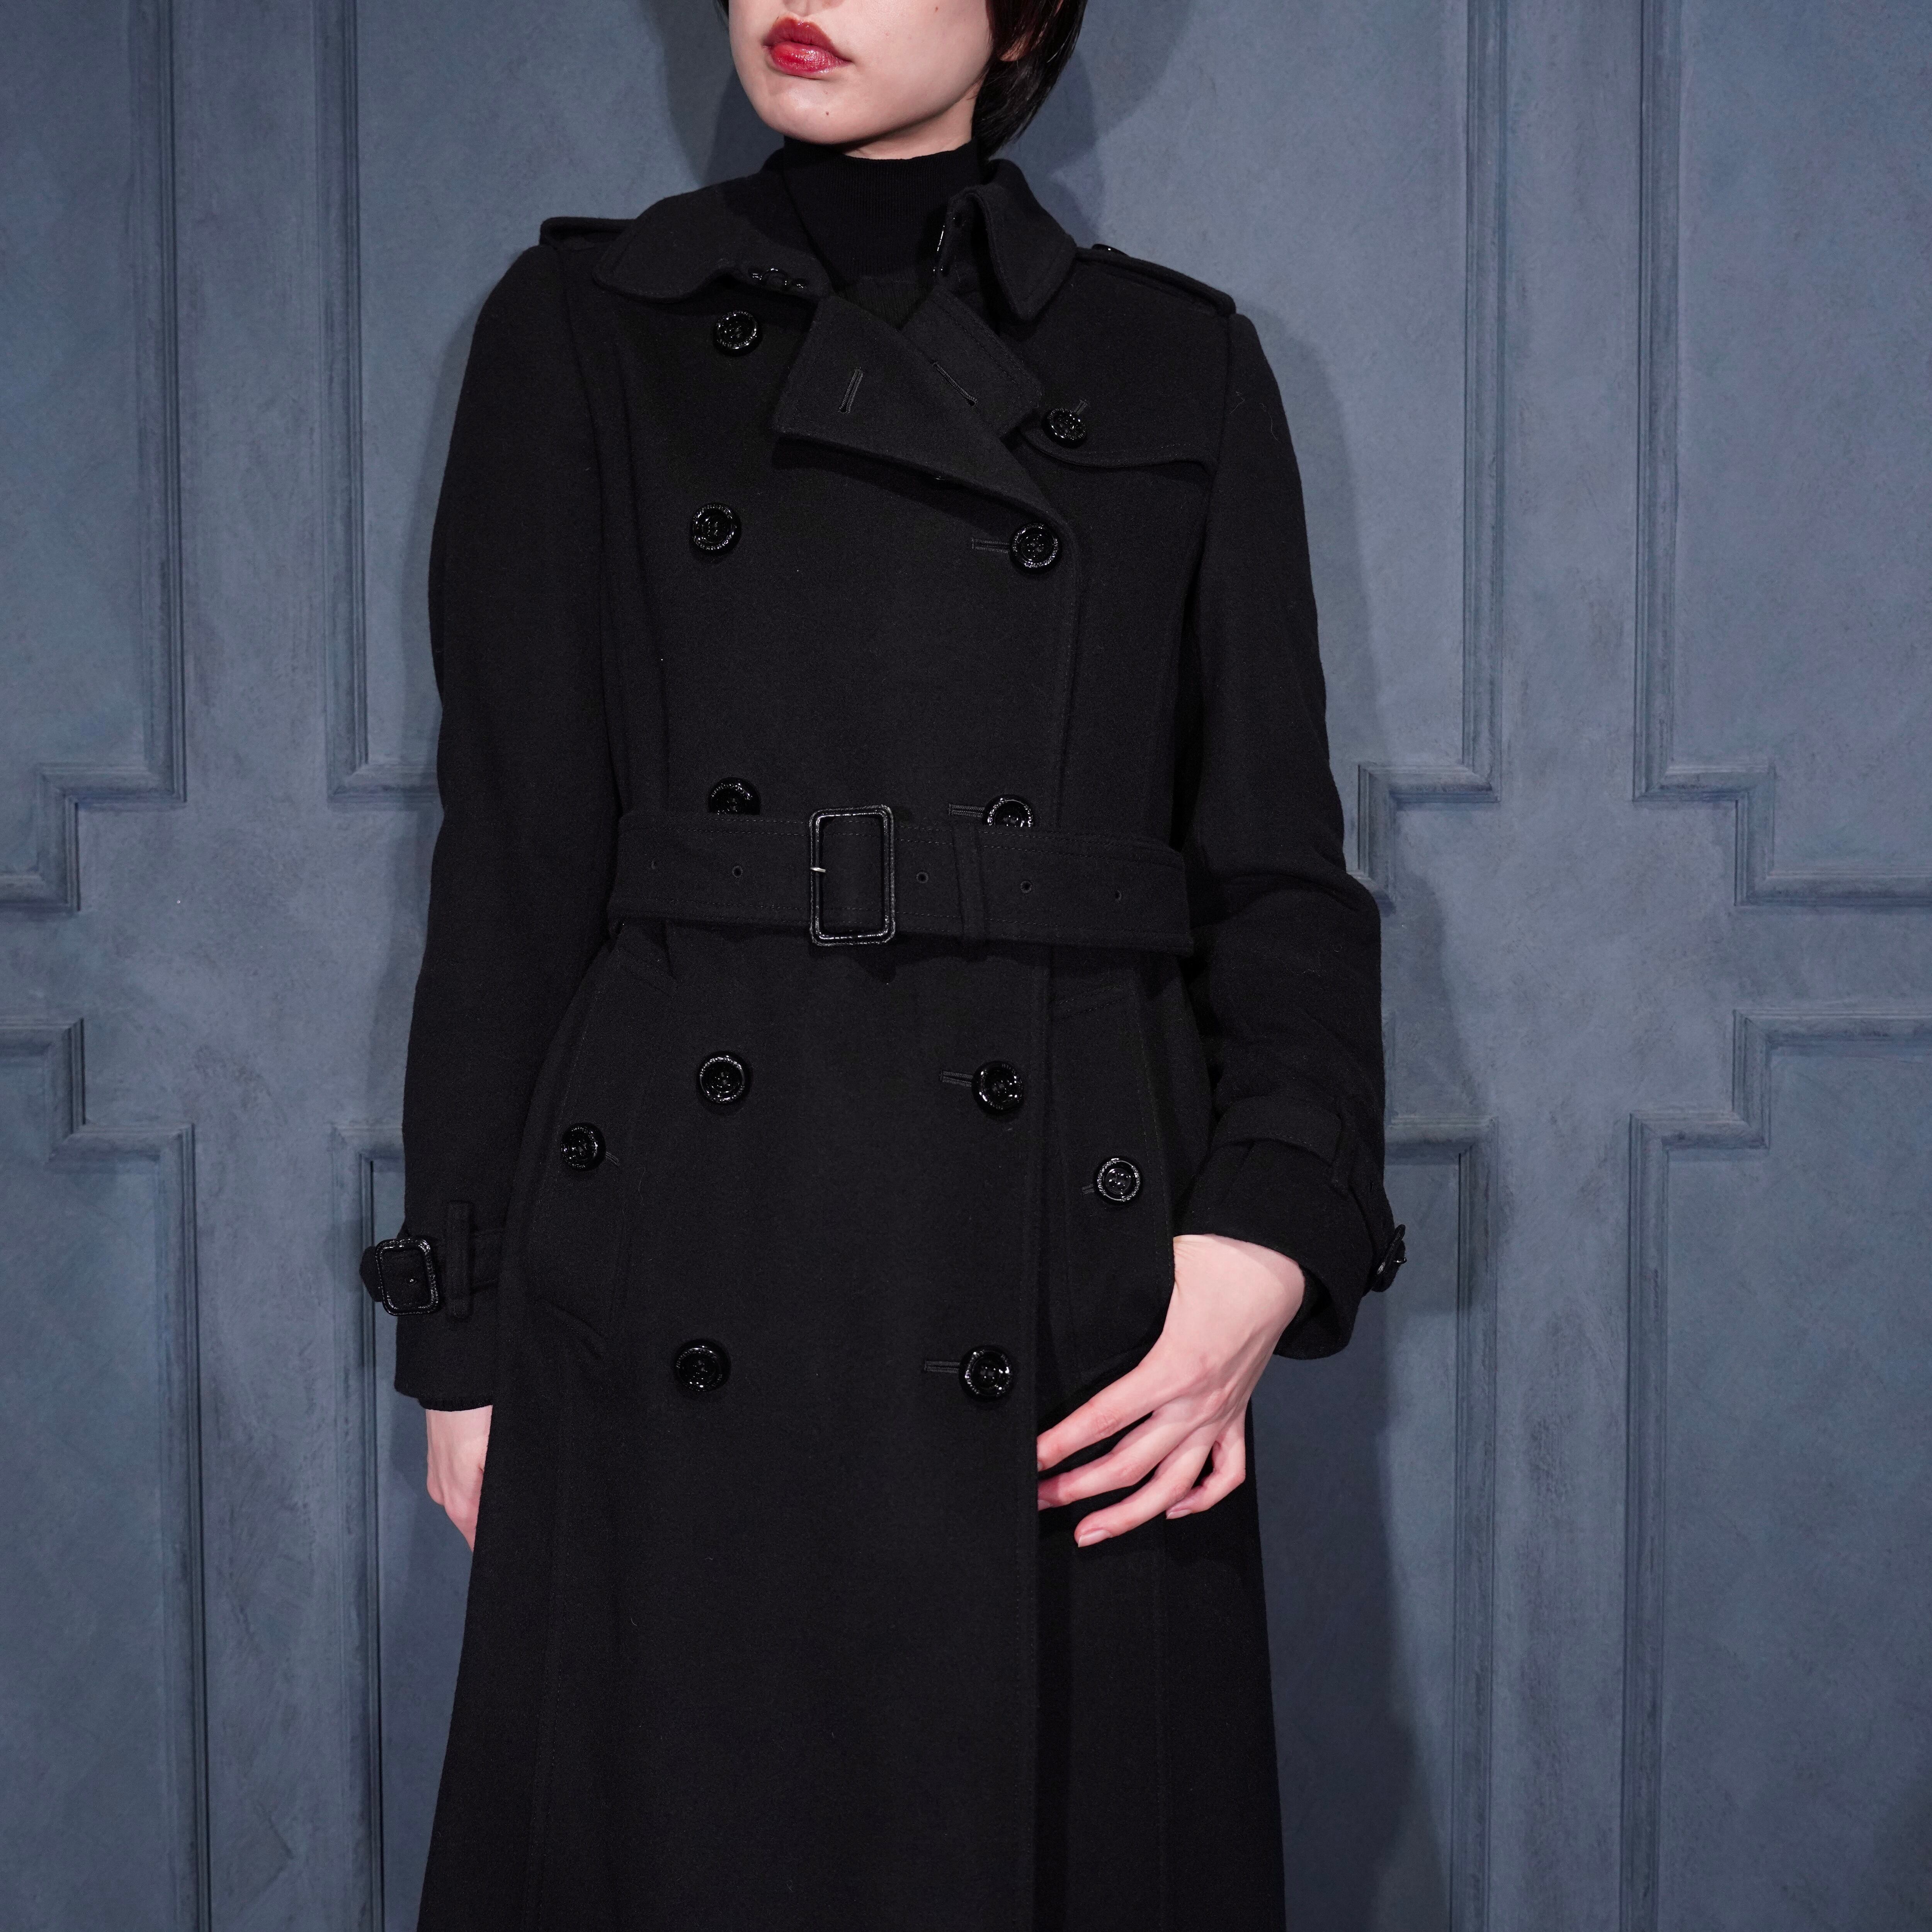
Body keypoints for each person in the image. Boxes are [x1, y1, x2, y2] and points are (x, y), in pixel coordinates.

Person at [358, 1, 1405, 1925]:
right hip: (673, 1270)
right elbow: (508, 866)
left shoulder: (1174, 364)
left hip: (1067, 1302)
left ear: (1020, 18)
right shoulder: (582, 331)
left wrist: (1266, 1236)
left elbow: (1276, 874)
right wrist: (465, 1326)